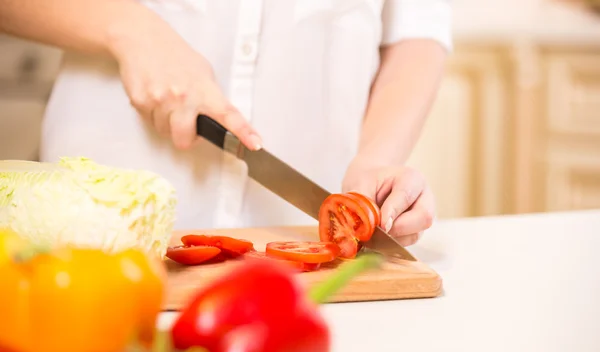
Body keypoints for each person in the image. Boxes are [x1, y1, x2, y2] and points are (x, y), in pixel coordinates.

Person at [0, 0, 451, 246]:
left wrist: (377, 157)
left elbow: (416, 31)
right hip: (98, 231)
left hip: (306, 245)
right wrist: (130, 27)